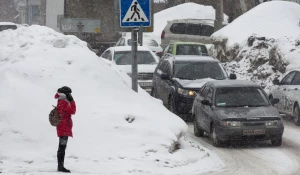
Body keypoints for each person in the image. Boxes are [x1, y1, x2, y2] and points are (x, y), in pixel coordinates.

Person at [54, 86, 76, 173]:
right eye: (69, 94)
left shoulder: (60, 100)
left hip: (63, 126)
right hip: (64, 126)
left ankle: (60, 165)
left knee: (62, 147)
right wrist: (72, 101)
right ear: (65, 94)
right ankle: (60, 166)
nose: (70, 95)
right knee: (62, 147)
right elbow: (73, 111)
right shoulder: (63, 102)